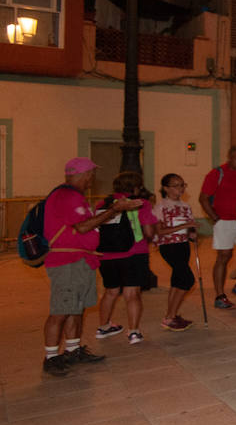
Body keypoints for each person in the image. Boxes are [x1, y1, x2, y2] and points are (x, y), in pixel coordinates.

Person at [40, 157, 135, 375]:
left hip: (81, 260)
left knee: (76, 308)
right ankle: (51, 356)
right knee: (61, 309)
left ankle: (73, 350)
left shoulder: (74, 197)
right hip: (67, 263)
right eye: (91, 174)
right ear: (82, 174)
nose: (93, 179)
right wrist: (114, 211)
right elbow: (83, 227)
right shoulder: (67, 196)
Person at [94, 171, 159, 345]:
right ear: (137, 187)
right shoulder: (140, 203)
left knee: (110, 291)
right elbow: (149, 232)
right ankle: (134, 332)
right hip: (134, 253)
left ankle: (104, 327)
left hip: (106, 255)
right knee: (132, 293)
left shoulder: (102, 204)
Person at [199, 146, 236, 309]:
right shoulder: (217, 173)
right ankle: (219, 295)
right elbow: (203, 198)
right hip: (224, 221)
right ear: (229, 158)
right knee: (224, 256)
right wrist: (215, 218)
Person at [151, 173, 196, 332]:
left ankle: (171, 315)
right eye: (176, 185)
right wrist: (185, 226)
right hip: (169, 246)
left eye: (182, 185)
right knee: (187, 279)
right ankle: (170, 317)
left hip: (183, 245)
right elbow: (161, 231)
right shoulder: (161, 207)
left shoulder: (185, 206)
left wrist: (191, 233)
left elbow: (189, 228)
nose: (180, 189)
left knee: (177, 280)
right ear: (166, 188)